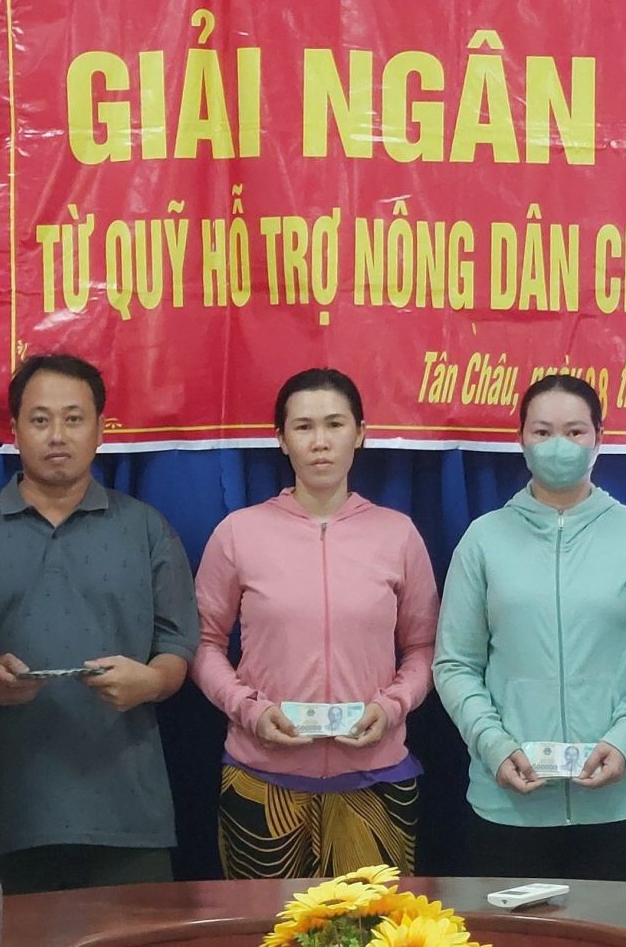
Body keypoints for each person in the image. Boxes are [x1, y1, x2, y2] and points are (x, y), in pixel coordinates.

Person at [0, 354, 199, 893]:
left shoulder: (146, 529)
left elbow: (178, 644)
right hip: (3, 813)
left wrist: (152, 681)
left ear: (101, 429)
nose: (57, 436)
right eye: (40, 420)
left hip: (127, 815)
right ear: (14, 430)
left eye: (74, 418)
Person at [434, 375, 626, 883]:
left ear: (599, 438)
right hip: (508, 806)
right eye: (543, 432)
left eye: (574, 432)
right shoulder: (483, 539)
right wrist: (494, 745)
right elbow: (455, 664)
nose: (558, 446)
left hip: (619, 807)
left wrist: (624, 739)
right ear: (521, 439)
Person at [192, 368, 439, 878]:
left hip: (375, 782)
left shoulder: (397, 534)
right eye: (303, 427)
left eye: (335, 424)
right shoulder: (239, 532)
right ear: (281, 439)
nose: (320, 442)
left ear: (360, 433)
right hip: (261, 782)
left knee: (372, 922)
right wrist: (249, 710)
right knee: (264, 922)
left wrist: (391, 706)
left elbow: (425, 647)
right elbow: (203, 643)